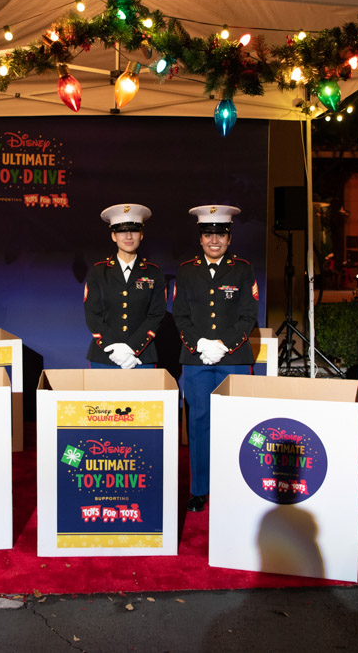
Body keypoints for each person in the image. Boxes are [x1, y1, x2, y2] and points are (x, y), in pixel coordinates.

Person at [172, 205, 258, 512]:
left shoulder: (243, 269)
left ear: (229, 238)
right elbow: (181, 316)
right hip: (197, 361)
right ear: (200, 238)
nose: (214, 240)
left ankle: (235, 486)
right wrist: (200, 345)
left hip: (233, 358)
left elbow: (248, 315)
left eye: (220, 234)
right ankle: (200, 488)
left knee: (236, 423)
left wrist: (223, 345)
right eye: (208, 234)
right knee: (199, 423)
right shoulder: (185, 270)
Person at [84, 204, 166, 369]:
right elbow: (93, 314)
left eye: (134, 231)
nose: (128, 236)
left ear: (141, 234)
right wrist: (114, 347)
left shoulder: (154, 273)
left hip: (142, 356)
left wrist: (131, 348)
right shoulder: (98, 271)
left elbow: (156, 315)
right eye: (122, 231)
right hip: (105, 355)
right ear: (113, 236)